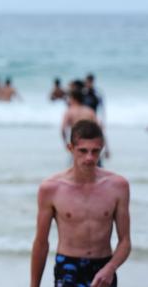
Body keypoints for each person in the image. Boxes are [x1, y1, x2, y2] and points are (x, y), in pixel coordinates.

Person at [30, 120, 131, 287]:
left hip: (104, 267)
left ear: (102, 149)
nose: (89, 158)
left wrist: (111, 268)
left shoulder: (118, 186)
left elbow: (125, 241)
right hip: (68, 267)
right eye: (83, 151)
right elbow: (41, 243)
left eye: (95, 151)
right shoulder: (51, 188)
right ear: (70, 148)